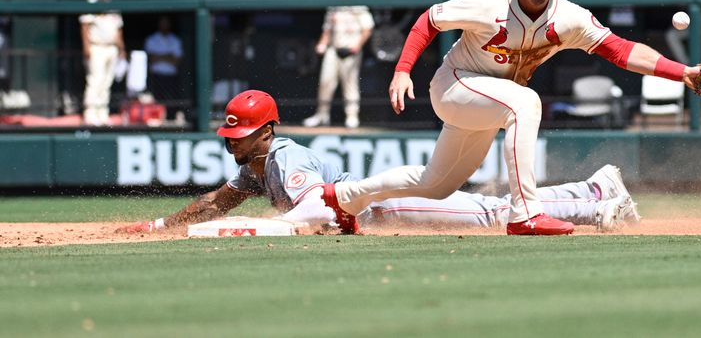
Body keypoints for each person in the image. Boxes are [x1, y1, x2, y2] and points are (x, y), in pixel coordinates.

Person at [321, 0, 701, 237]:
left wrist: (684, 73)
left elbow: (620, 49)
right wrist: (403, 70)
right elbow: (429, 20)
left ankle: (344, 198)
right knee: (525, 103)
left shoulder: (569, 17)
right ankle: (524, 215)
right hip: (455, 84)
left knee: (435, 185)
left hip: (488, 101)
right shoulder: (487, 2)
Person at [117, 90, 641, 235]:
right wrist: (163, 223)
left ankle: (592, 204)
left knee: (492, 213)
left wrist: (259, 228)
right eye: (231, 133)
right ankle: (591, 190)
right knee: (492, 207)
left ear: (267, 131)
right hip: (375, 208)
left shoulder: (285, 157)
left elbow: (315, 213)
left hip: (381, 209)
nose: (233, 141)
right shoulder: (254, 167)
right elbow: (219, 198)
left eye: (242, 133)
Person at [303, 0, 374, 129]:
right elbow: (327, 30)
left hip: (351, 51)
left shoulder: (359, 7)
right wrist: (322, 43)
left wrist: (357, 45)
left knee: (350, 85)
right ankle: (322, 115)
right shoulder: (334, 7)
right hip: (334, 50)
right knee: (325, 83)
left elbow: (367, 29)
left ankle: (352, 116)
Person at [79, 0, 125, 126]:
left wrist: (121, 48)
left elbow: (118, 29)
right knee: (95, 80)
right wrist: (86, 47)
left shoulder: (113, 5)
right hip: (96, 46)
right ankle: (90, 114)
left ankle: (102, 114)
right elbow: (85, 25)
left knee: (106, 82)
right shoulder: (91, 1)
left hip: (111, 47)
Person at [144, 15, 183, 118]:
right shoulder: (152, 39)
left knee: (170, 101)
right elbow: (152, 59)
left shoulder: (175, 40)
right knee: (156, 100)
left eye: (166, 23)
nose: (164, 25)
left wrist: (159, 56)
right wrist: (168, 55)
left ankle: (170, 117)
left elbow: (176, 61)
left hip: (171, 77)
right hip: (156, 76)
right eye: (162, 23)